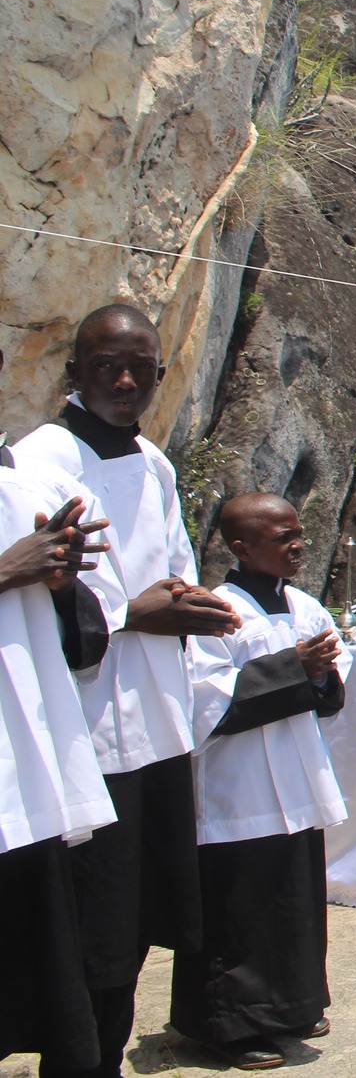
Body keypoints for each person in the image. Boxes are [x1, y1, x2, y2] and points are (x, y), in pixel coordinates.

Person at [14, 304, 242, 1078]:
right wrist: (132, 612)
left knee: (140, 914)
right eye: (104, 363)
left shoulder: (154, 462)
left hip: (158, 727)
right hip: (85, 733)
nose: (121, 380)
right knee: (89, 924)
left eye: (139, 367)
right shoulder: (42, 458)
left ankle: (105, 1053)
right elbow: (47, 589)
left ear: (159, 374)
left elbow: (169, 569)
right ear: (72, 369)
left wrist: (192, 606)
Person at [175, 495, 348, 1070]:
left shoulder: (304, 605)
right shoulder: (215, 611)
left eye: (299, 533)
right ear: (242, 547)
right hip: (239, 785)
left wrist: (320, 675)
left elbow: (331, 691)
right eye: (282, 538)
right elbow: (205, 701)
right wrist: (292, 668)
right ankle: (226, 1024)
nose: (297, 545)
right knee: (241, 906)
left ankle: (291, 1005)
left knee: (292, 897)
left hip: (296, 779)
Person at [0, 409, 121, 1074]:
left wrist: (60, 581)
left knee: (45, 982)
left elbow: (81, 644)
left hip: (24, 776)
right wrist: (6, 569)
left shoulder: (25, 490)